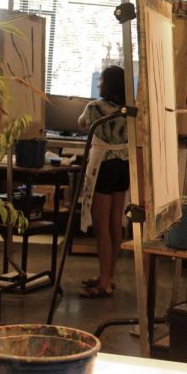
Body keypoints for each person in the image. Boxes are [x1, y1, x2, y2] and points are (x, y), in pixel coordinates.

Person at [77, 65, 129, 298]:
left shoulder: (95, 107)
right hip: (124, 165)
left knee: (101, 225)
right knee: (116, 222)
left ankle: (104, 282)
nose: (98, 83)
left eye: (101, 80)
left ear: (107, 84)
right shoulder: (129, 110)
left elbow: (81, 123)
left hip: (104, 166)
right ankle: (109, 275)